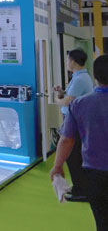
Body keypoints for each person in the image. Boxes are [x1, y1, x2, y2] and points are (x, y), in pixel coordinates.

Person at [50, 54, 108, 231]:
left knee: (102, 219)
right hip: (95, 171)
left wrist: (57, 166)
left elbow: (66, 140)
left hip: (95, 172)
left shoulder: (80, 104)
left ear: (95, 76)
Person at [53, 48, 94, 201]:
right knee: (75, 155)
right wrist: (60, 93)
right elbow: (71, 96)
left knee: (73, 156)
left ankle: (81, 190)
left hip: (75, 121)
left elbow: (68, 101)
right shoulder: (80, 77)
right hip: (77, 120)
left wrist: (57, 100)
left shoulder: (80, 79)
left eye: (68, 59)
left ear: (73, 61)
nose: (67, 62)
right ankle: (80, 187)